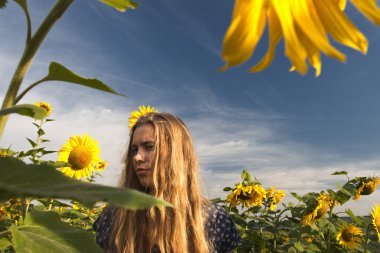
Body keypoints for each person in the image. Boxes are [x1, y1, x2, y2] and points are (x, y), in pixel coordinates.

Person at [93, 110, 240, 253]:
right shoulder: (116, 215)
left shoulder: (213, 219)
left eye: (149, 147)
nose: (137, 157)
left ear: (176, 154)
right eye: (134, 149)